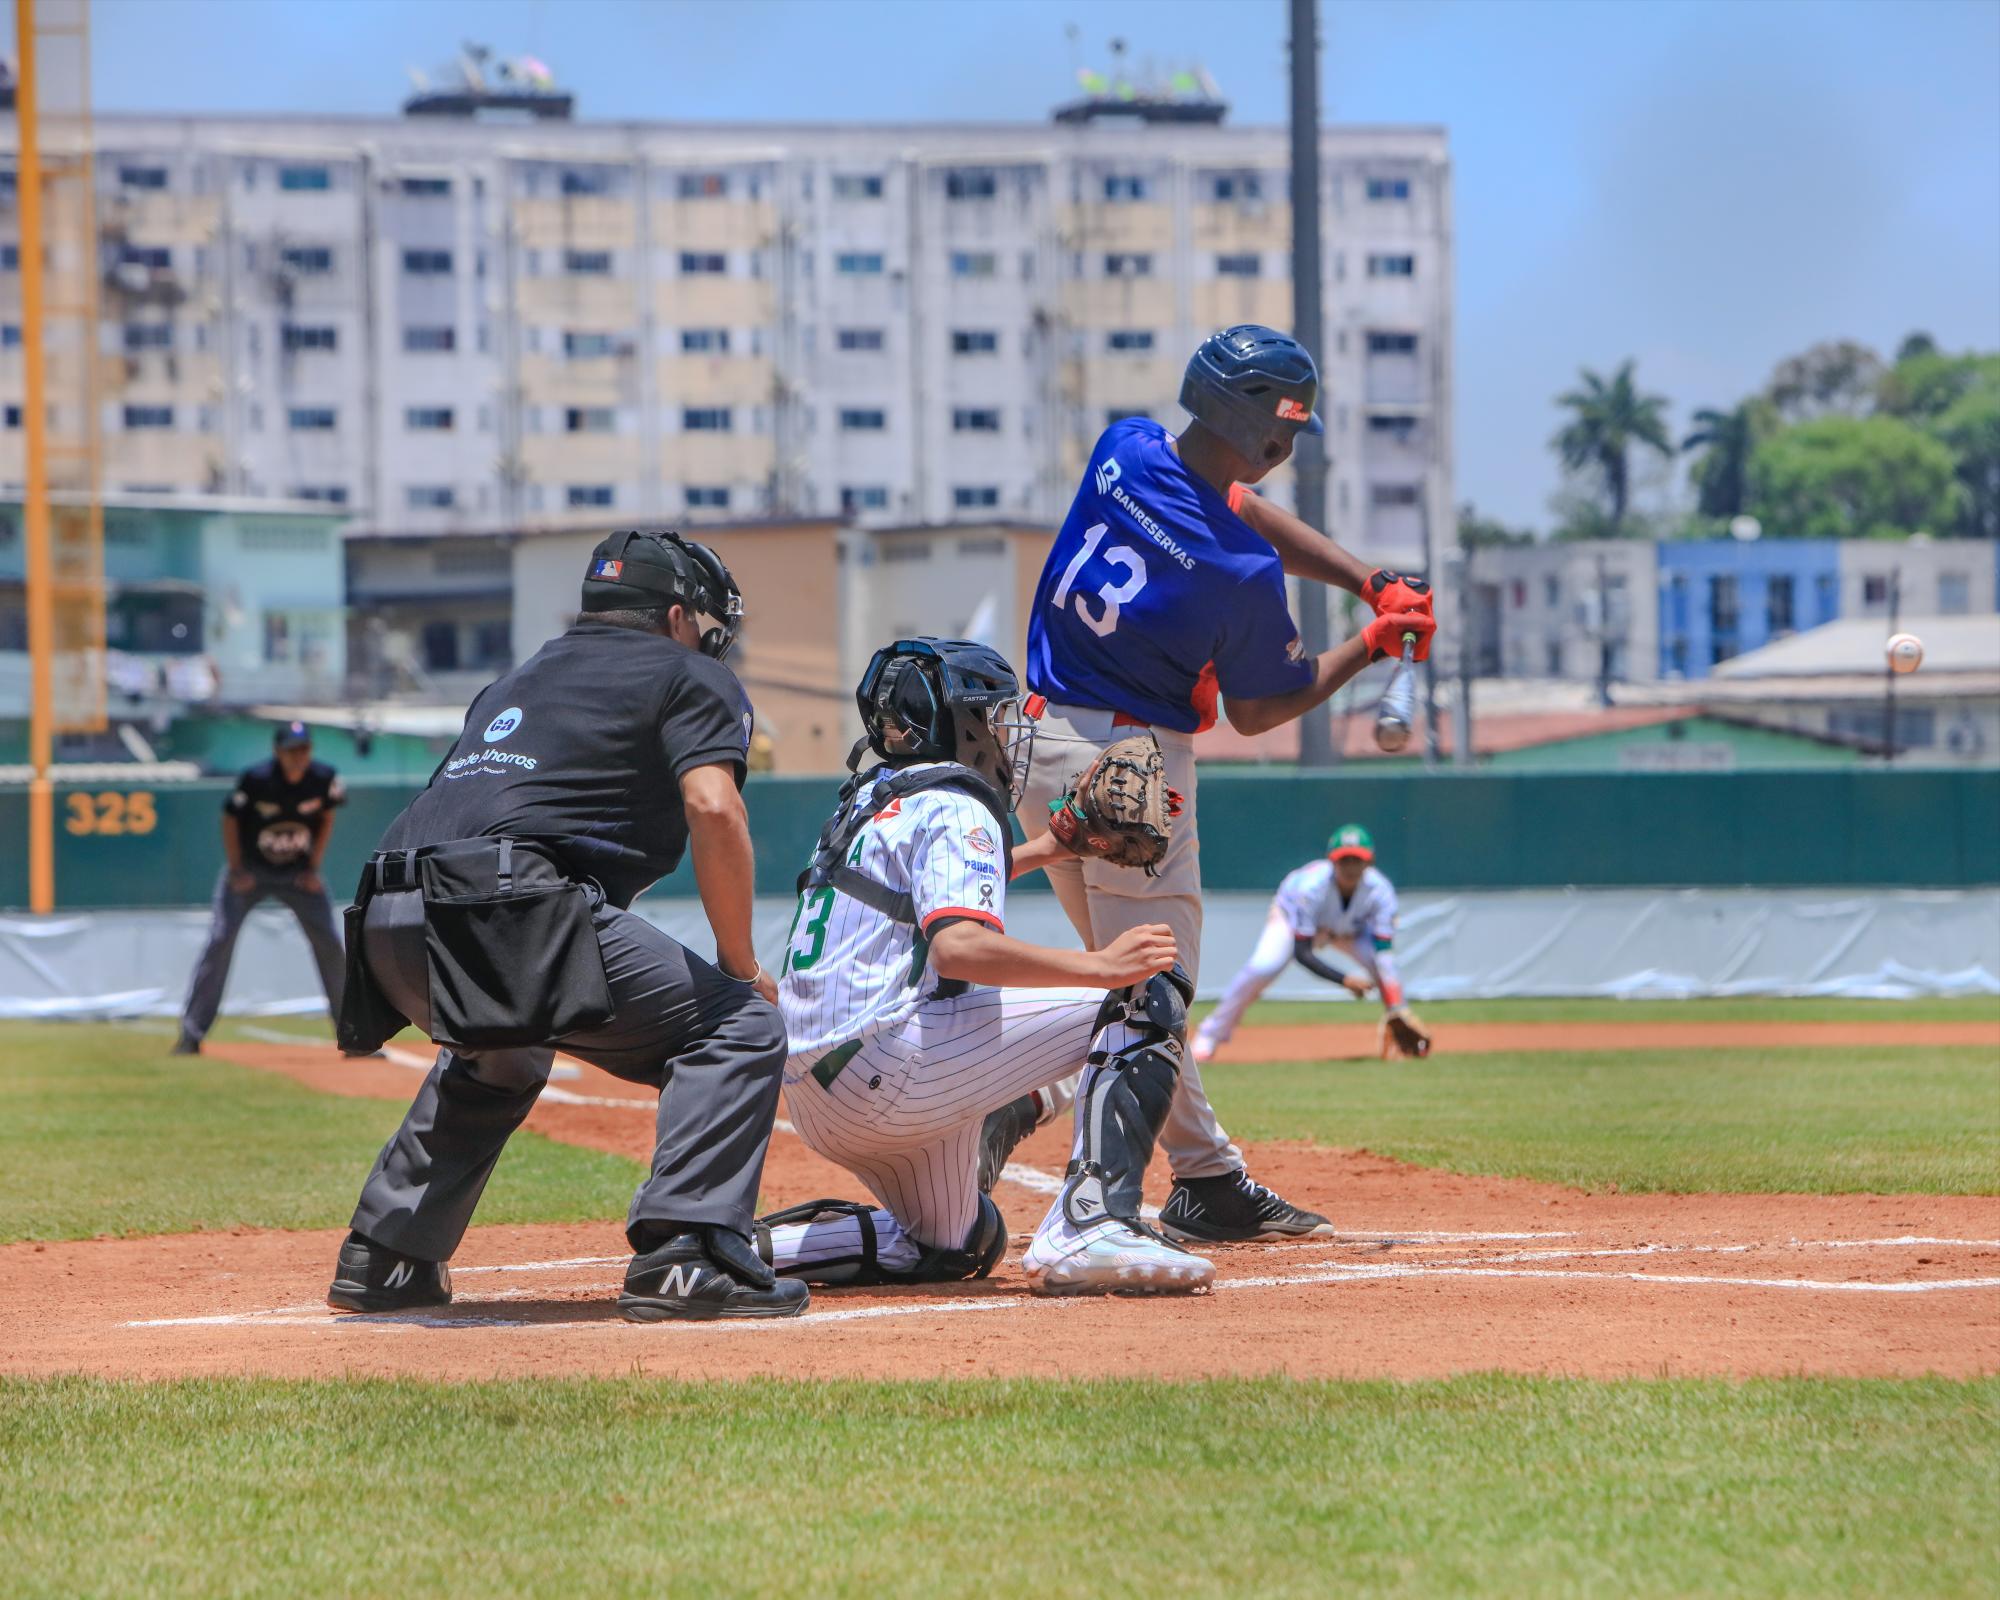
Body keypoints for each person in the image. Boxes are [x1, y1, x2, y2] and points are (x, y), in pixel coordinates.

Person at [1001, 322, 1438, 1245]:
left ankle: (1207, 1178)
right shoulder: (1239, 574)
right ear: (1266, 434)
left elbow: (1231, 504)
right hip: (1131, 769)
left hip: (1035, 742)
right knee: (1153, 990)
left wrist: (1368, 579)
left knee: (1134, 980)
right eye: (1286, 428)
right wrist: (1371, 642)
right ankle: (1089, 1192)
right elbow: (1262, 709)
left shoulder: (1124, 447)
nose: (1287, 445)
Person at [326, 530, 807, 1323]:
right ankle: (686, 1254)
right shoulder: (690, 673)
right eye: (703, 624)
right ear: (678, 617)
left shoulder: (517, 679)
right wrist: (739, 962)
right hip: (501, 909)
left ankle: (385, 1255)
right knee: (739, 1028)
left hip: (385, 913)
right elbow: (714, 807)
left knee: (503, 1050)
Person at [759, 637, 1214, 1297]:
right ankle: (1093, 1221)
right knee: (1147, 990)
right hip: (887, 1071)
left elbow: (925, 896)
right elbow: (958, 948)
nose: (1005, 734)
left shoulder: (872, 798)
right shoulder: (957, 800)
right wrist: (1101, 967)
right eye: (993, 717)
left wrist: (1051, 847)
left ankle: (735, 1247)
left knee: (954, 1245)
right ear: (960, 723)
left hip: (814, 1092)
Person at [172, 720, 346, 1056]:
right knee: (221, 939)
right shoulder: (257, 779)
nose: (299, 756)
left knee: (330, 943)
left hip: (297, 874)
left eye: (304, 749)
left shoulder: (323, 778)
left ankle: (353, 1037)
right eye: (292, 750)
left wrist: (313, 866)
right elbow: (230, 819)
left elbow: (327, 816)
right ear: (278, 751)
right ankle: (191, 1035)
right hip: (251, 873)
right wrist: (237, 869)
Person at [1193, 824, 1424, 1062]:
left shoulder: (1381, 891)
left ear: (1369, 861)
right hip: (1289, 919)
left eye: (1357, 860)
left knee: (1382, 967)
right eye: (1344, 860)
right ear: (1332, 860)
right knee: (1263, 967)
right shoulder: (1311, 887)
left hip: (1348, 931)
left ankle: (1400, 1015)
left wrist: (1395, 1004)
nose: (1350, 867)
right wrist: (1344, 980)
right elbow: (1302, 953)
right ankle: (1209, 1034)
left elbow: (1384, 953)